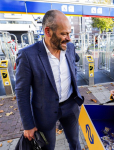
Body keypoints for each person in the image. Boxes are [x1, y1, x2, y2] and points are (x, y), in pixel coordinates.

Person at [15, 10, 84, 150]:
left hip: (70, 106)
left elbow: (73, 66)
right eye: (64, 34)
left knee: (75, 142)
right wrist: (28, 125)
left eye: (69, 33)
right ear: (48, 31)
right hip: (44, 112)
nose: (68, 38)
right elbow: (22, 92)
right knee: (48, 147)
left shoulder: (69, 47)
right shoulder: (27, 55)